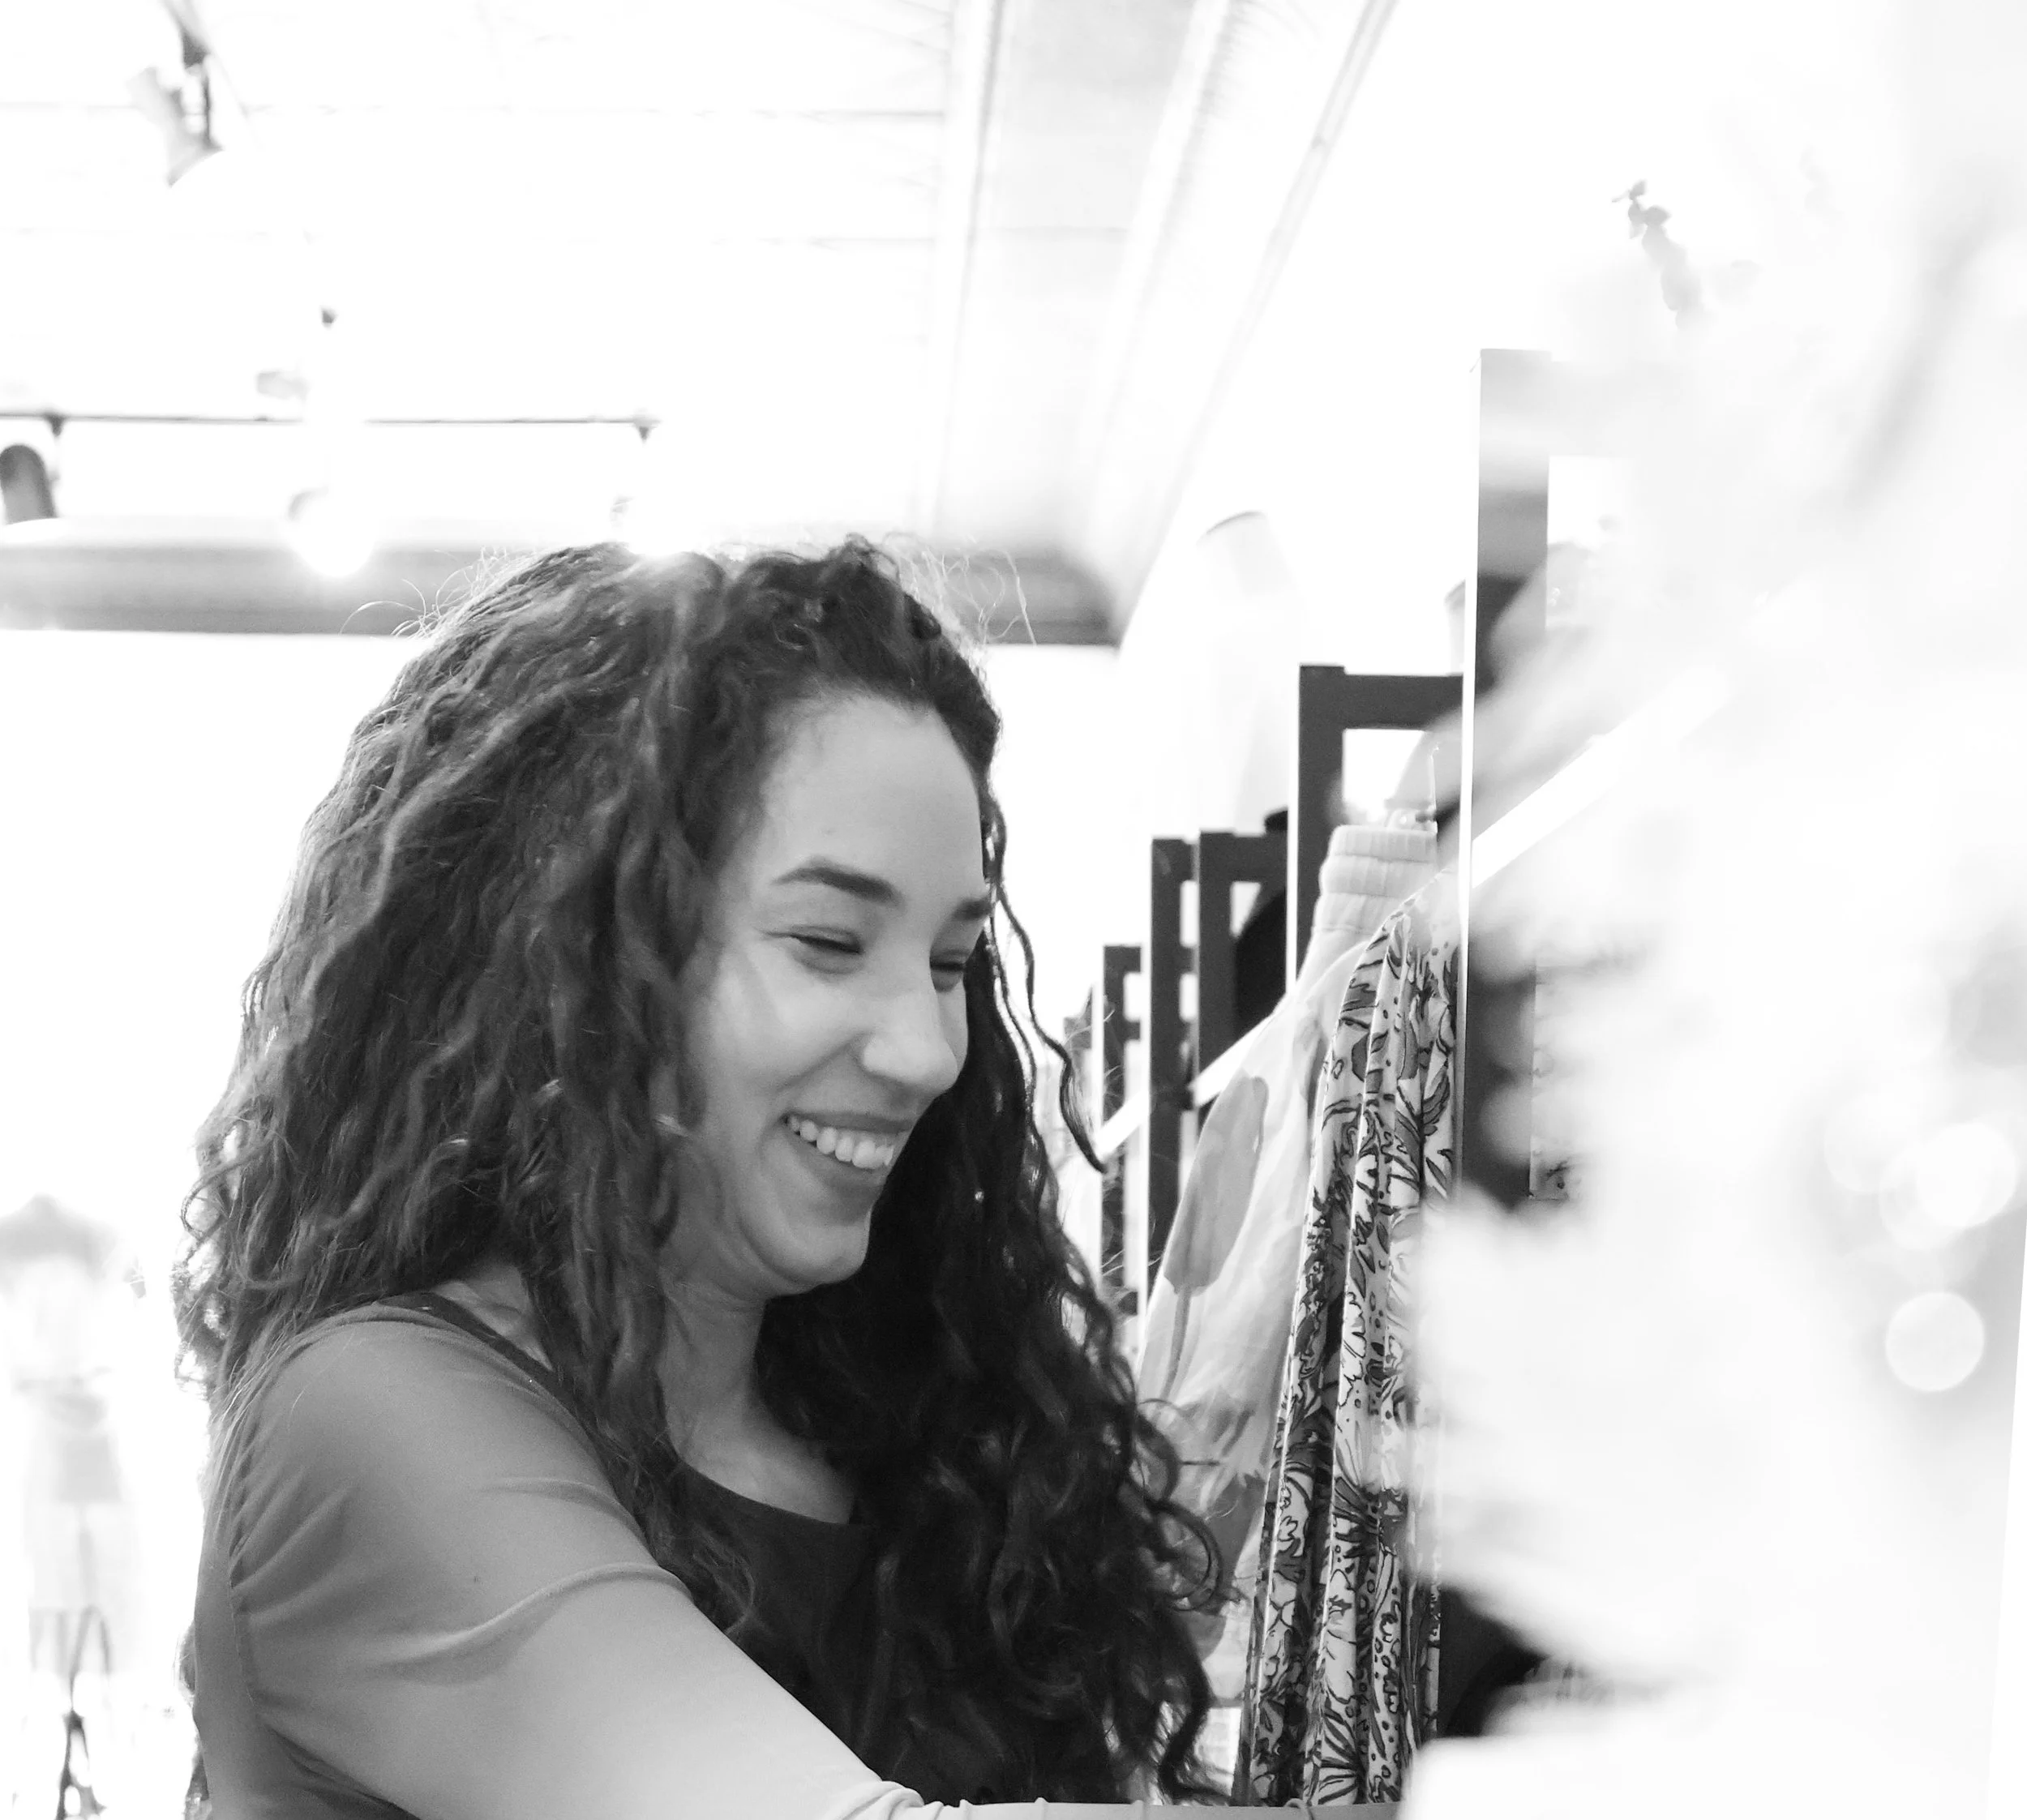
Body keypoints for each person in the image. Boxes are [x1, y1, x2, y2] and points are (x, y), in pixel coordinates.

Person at [174, 541, 1219, 1818]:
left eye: (951, 963)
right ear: (576, 965)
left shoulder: (908, 1426)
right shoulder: (368, 1421)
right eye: (829, 943)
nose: (930, 1051)